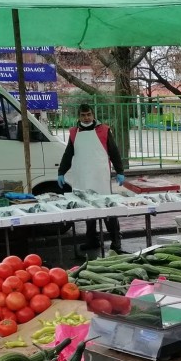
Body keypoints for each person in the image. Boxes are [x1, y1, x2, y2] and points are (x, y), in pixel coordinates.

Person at [58, 103, 125, 253]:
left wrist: (120, 171)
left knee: (107, 207)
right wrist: (61, 172)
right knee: (88, 207)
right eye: (83, 115)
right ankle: (92, 240)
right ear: (79, 116)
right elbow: (68, 154)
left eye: (88, 114)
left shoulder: (104, 130)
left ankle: (116, 240)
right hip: (83, 175)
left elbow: (114, 152)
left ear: (93, 115)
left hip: (100, 175)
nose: (86, 118)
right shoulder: (74, 133)